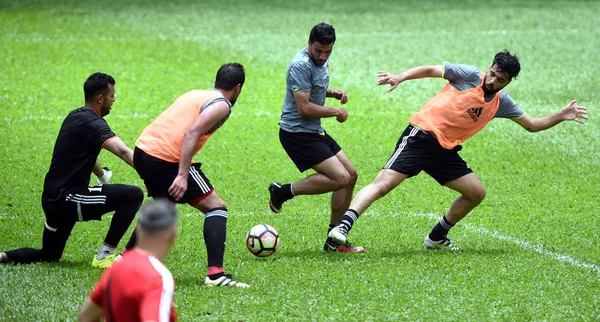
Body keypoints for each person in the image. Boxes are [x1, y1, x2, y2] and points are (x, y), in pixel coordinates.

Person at [328, 50, 588, 250]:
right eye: (493, 73)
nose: (493, 80)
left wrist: (560, 115)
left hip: (444, 150)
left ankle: (437, 237)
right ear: (490, 67)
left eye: (501, 79)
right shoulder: (470, 75)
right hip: (422, 135)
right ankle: (343, 227)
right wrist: (401, 76)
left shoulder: (501, 102)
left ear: (508, 82)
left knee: (476, 192)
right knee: (383, 184)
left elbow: (532, 125)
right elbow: (432, 69)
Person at [0, 73, 144, 268]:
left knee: (49, 254)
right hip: (68, 198)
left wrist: (102, 175)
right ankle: (105, 256)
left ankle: (2, 256)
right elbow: (123, 151)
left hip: (52, 197)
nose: (114, 99)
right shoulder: (94, 123)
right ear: (100, 98)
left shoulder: (75, 116)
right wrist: (153, 173)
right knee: (133, 195)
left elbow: (86, 153)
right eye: (112, 95)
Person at [133, 62, 249, 287]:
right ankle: (215, 275)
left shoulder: (196, 93)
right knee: (216, 207)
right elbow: (191, 133)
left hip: (143, 151)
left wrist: (152, 171)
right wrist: (182, 175)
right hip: (166, 158)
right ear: (238, 88)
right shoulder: (222, 105)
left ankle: (127, 258)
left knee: (164, 206)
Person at [268, 22, 363, 253]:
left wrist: (333, 93)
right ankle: (283, 192)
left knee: (350, 176)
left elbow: (314, 87)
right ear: (309, 43)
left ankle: (334, 239)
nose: (322, 56)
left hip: (313, 131)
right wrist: (336, 111)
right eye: (318, 50)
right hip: (296, 133)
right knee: (340, 178)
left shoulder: (322, 59)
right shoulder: (299, 65)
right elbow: (304, 108)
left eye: (327, 51)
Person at [79, 200, 178, 322]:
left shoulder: (115, 268)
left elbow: (87, 315)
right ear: (173, 234)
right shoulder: (158, 277)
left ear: (138, 228)